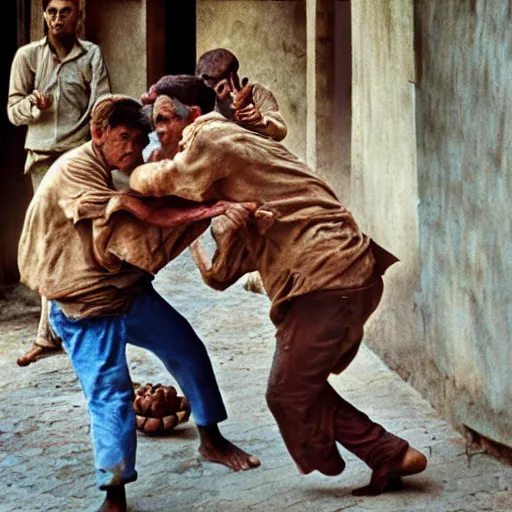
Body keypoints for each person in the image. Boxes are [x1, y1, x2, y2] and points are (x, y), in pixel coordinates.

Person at [129, 75, 428, 497]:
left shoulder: (211, 137)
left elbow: (160, 180)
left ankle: (389, 453)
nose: (158, 130)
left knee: (287, 392)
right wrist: (207, 231)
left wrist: (136, 167)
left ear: (192, 115)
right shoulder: (238, 163)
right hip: (337, 274)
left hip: (327, 273)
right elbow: (219, 275)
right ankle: (387, 454)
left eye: (162, 119)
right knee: (294, 388)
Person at [17, 94, 260, 512]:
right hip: (84, 305)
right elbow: (141, 216)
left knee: (186, 348)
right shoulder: (77, 170)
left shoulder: (115, 167)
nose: (132, 148)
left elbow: (158, 190)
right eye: (123, 138)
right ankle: (114, 495)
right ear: (99, 135)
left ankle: (211, 440)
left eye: (138, 138)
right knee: (110, 393)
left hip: (122, 289)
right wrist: (207, 210)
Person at [8, 0, 111, 365]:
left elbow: (102, 106)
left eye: (64, 11)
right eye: (51, 11)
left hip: (77, 157)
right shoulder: (28, 56)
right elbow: (13, 111)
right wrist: (34, 107)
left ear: (78, 14)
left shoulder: (91, 56)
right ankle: (47, 333)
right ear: (44, 15)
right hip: (41, 158)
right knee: (50, 240)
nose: (57, 18)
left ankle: (81, 327)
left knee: (82, 238)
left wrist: (95, 150)